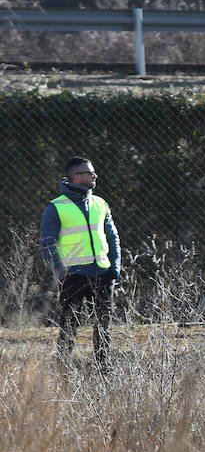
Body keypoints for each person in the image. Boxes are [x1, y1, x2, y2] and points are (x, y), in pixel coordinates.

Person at [39, 157, 122, 367]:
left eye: (93, 172)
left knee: (103, 326)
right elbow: (47, 245)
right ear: (75, 177)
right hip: (73, 276)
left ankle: (104, 369)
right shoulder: (55, 208)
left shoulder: (100, 203)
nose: (94, 176)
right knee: (69, 326)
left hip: (103, 274)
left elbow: (113, 238)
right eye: (89, 173)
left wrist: (115, 268)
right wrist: (61, 273)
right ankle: (63, 369)